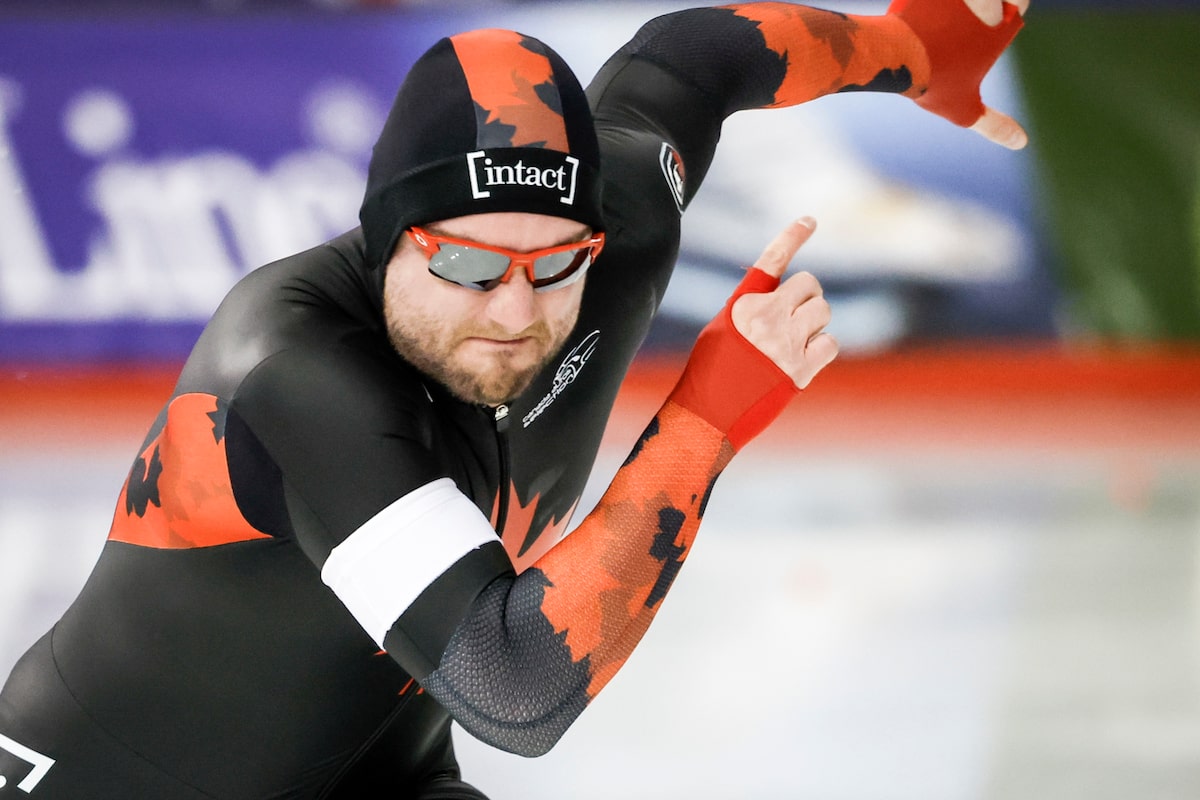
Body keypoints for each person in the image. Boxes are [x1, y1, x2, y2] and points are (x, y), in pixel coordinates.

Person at [0, 0, 1029, 796]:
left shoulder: (620, 227)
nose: (513, 308)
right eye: (463, 262)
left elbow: (700, 57)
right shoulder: (294, 369)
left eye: (556, 263)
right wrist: (708, 417)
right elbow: (516, 683)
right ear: (385, 234)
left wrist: (913, 50)